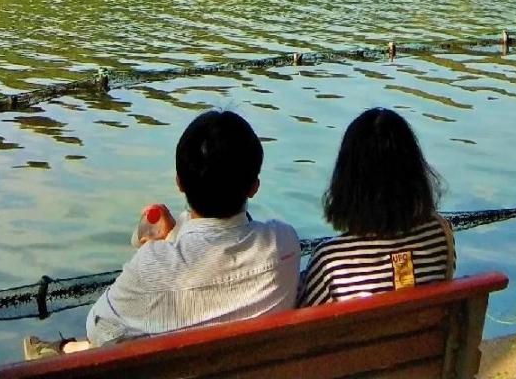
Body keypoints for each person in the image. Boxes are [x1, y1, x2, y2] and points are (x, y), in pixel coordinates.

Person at [24, 110, 300, 360]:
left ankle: (60, 350)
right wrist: (176, 236)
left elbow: (98, 328)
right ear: (254, 187)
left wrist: (167, 244)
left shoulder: (152, 265)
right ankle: (61, 349)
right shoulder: (284, 244)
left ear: (179, 182)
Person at [298, 108, 454, 306]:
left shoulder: (330, 261)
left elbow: (304, 328)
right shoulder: (440, 235)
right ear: (414, 173)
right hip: (427, 335)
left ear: (348, 181)